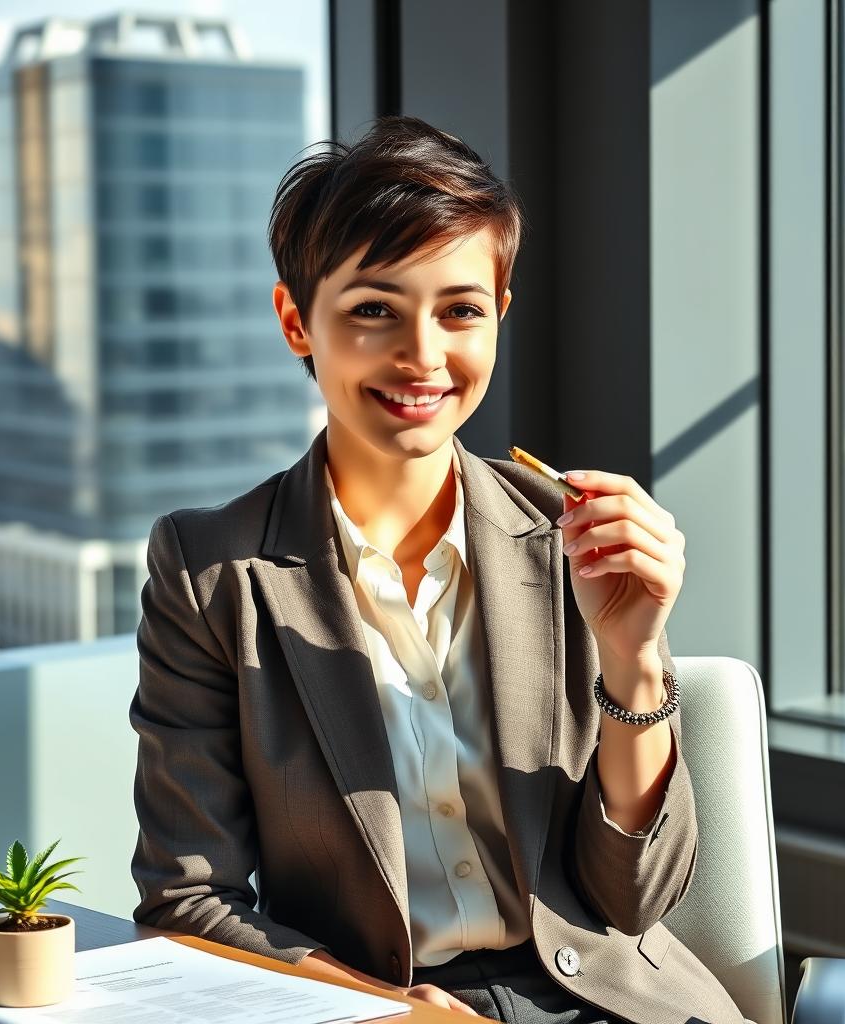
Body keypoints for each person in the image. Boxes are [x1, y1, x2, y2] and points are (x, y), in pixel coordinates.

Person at [129, 114, 751, 1024]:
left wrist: (634, 657)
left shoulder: (567, 533)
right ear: (298, 321)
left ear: (499, 315)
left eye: (459, 310)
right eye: (374, 309)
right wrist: (378, 1008)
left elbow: (635, 899)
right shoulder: (211, 572)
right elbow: (189, 901)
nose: (423, 356)